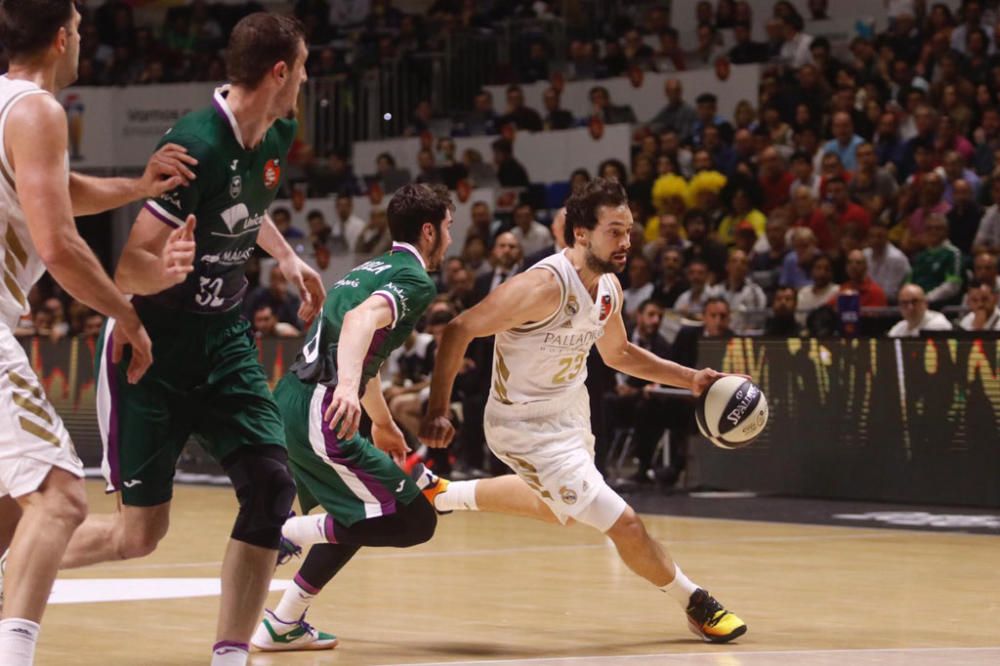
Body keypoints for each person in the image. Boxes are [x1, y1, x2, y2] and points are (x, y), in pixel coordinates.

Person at [55, 15, 326, 666]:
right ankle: (22, 558)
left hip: (224, 338)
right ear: (279, 73)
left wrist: (285, 256)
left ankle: (231, 652)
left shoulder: (279, 132)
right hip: (152, 346)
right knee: (139, 536)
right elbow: (129, 265)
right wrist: (164, 268)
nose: (310, 78)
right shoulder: (196, 142)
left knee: (270, 484)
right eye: (305, 66)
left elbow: (245, 211)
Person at [419, 178, 747, 644]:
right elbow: (458, 330)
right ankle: (694, 601)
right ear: (580, 234)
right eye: (614, 231)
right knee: (624, 522)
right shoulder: (541, 287)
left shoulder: (609, 288)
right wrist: (437, 409)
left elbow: (621, 355)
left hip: (572, 415)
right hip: (523, 426)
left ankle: (442, 494)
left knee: (560, 511)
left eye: (629, 230)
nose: (627, 241)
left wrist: (691, 378)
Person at [0, 2, 193, 663]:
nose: (81, 39)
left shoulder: (8, 111)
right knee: (58, 499)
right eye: (79, 30)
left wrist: (137, 185)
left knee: (9, 522)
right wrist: (126, 311)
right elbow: (59, 244)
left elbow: (59, 187)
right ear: (61, 38)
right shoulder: (36, 109)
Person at [253, 184, 453, 651]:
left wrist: (380, 422)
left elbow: (365, 353)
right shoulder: (415, 281)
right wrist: (346, 387)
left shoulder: (363, 270)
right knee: (412, 522)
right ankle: (280, 530)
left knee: (363, 511)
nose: (449, 237)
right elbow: (362, 324)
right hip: (321, 407)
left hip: (295, 402)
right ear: (428, 231)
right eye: (447, 227)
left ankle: (284, 622)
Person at [888, 284, 953, 337]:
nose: (910, 307)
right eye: (904, 303)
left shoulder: (939, 325)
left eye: (915, 301)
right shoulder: (899, 328)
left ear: (925, 303)